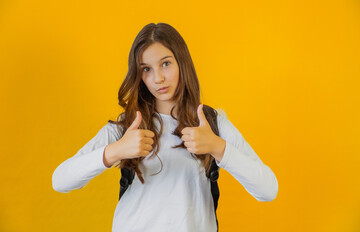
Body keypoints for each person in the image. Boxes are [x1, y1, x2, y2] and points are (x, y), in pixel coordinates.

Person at [52, 22, 278, 232]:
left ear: (182, 62)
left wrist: (217, 146)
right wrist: (116, 151)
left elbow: (268, 190)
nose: (158, 78)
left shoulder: (212, 122)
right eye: (146, 69)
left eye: (166, 64)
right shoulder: (127, 127)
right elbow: (60, 181)